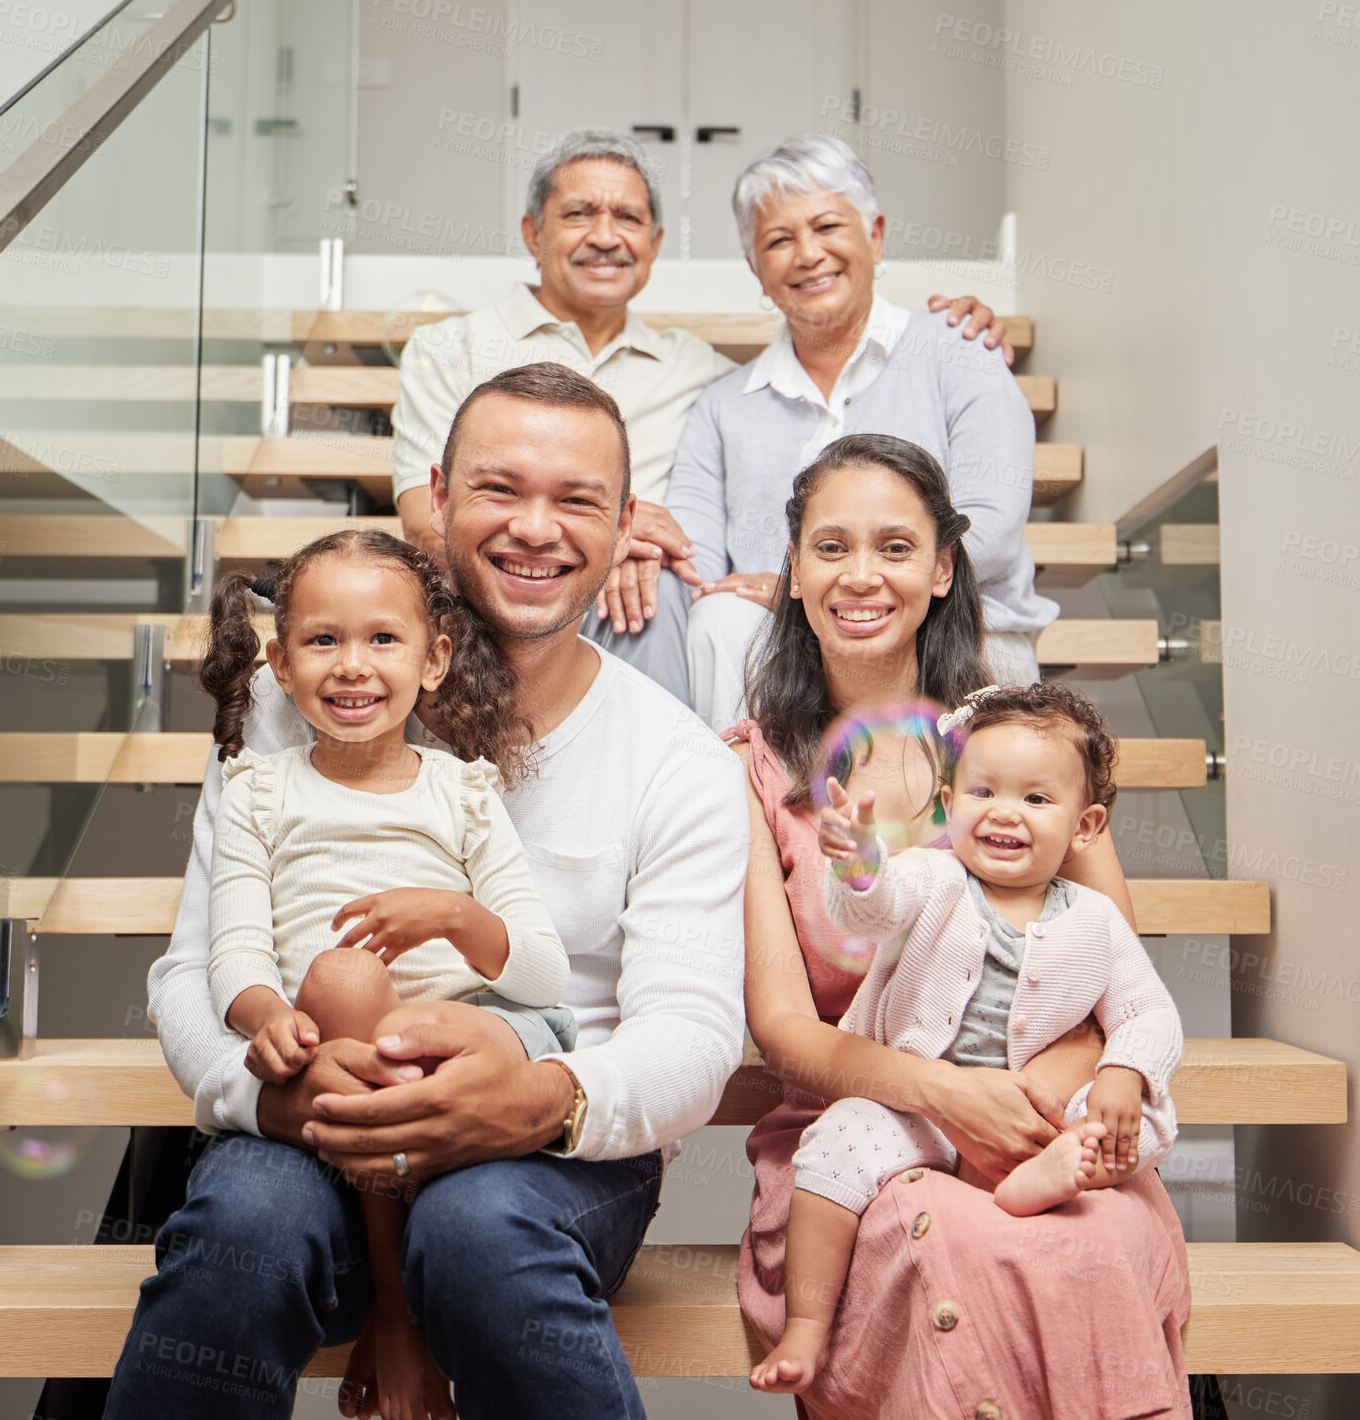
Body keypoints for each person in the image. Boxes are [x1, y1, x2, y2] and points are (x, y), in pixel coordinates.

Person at [104, 363, 749, 1420]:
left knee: (479, 1228)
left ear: (625, 523)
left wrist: (544, 1101)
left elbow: (689, 1034)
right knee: (241, 1230)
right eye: (499, 489)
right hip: (316, 1116)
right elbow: (198, 961)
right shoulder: (290, 706)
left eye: (576, 499)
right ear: (438, 498)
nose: (534, 528)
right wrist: (266, 1090)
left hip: (553, 1152)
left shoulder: (674, 761)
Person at [729, 434, 1192, 1420]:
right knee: (963, 1247)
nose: (861, 576)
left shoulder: (1019, 749)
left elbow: (1106, 961)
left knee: (1088, 1237)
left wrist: (1027, 1101)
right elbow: (781, 1031)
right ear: (794, 572)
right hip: (859, 1127)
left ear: (942, 568)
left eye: (895, 547)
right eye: (830, 547)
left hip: (1045, 1112)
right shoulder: (748, 771)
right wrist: (947, 1097)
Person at [390, 129, 1011, 700]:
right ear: (532, 234)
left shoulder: (699, 370)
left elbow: (688, 546)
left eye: (628, 218)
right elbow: (428, 521)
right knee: (671, 595)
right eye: (579, 214)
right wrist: (613, 540)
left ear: (655, 244)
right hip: (507, 589)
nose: (606, 236)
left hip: (637, 604)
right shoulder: (453, 350)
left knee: (653, 593)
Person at [199, 529, 575, 1419]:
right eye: (323, 641)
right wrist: (265, 1017)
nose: (352, 666)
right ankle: (399, 1309)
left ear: (434, 660)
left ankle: (391, 1307)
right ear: (281, 668)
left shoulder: (464, 792)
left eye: (383, 639)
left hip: (472, 1034)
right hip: (337, 1044)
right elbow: (236, 952)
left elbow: (545, 973)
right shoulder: (259, 791)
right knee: (337, 983)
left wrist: (451, 913)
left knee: (355, 988)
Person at [752, 682, 1183, 1396]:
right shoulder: (934, 879)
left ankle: (1039, 1181)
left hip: (1037, 1116)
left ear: (1085, 825)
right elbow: (874, 909)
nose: (1005, 813)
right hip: (918, 1108)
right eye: (983, 792)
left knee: (1119, 1135)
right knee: (837, 1142)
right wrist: (860, 865)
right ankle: (807, 1323)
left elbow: (1148, 1012)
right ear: (950, 807)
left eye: (1037, 800)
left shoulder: (1098, 923)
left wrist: (1123, 1073)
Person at [667, 134, 1059, 730]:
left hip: (960, 636)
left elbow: (994, 529)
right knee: (718, 620)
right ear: (755, 268)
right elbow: (694, 564)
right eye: (778, 240)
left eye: (827, 227)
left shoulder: (960, 351)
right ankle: (744, 815)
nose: (806, 254)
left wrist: (840, 587)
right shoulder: (722, 407)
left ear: (874, 236)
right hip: (792, 653)